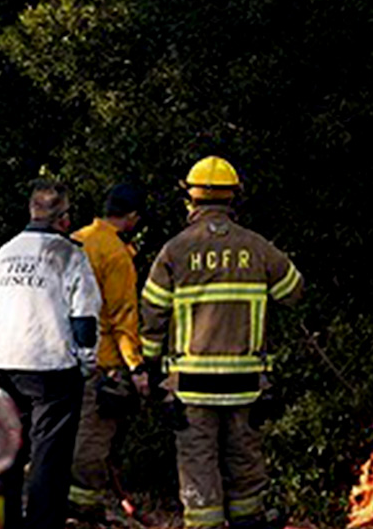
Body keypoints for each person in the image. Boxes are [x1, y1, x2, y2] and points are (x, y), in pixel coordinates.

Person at [139, 156, 303, 529]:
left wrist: (149, 369)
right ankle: (248, 522)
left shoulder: (175, 251)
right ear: (234, 199)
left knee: (198, 464)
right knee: (244, 463)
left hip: (192, 386)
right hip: (246, 384)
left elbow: (152, 316)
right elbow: (294, 292)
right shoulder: (257, 247)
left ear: (191, 200)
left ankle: (206, 524)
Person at [0, 179, 102, 529]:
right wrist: (87, 363)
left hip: (7, 367)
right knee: (50, 456)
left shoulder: (4, 253)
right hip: (54, 369)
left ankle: (5, 521)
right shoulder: (70, 255)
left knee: (9, 452)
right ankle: (43, 524)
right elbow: (84, 318)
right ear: (64, 218)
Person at [68, 183, 151, 514]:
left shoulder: (75, 240)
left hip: (60, 359)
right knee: (92, 440)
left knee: (65, 434)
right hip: (100, 364)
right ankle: (81, 507)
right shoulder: (115, 254)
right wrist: (137, 368)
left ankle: (64, 502)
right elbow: (123, 318)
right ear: (131, 218)